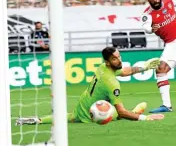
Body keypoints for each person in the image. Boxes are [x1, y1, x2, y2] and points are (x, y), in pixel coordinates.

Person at [16, 47, 164, 125]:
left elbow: (123, 71)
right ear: (108, 62)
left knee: (67, 117)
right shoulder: (112, 83)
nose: (119, 60)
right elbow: (122, 111)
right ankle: (135, 112)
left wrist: (143, 67)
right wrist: (146, 118)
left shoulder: (102, 67)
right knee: (116, 114)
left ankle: (37, 120)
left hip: (83, 104)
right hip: (93, 113)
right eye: (115, 59)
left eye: (119, 56)